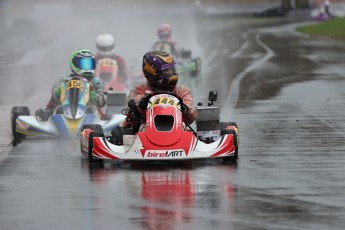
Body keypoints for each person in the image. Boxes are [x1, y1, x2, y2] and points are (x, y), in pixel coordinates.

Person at [122, 50, 197, 133]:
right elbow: (135, 102)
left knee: (189, 131)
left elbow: (191, 115)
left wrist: (185, 109)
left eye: (172, 69)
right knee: (121, 132)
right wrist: (141, 104)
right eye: (166, 70)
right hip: (145, 132)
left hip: (176, 131)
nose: (171, 72)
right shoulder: (138, 90)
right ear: (152, 71)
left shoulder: (182, 91)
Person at [35, 49, 107, 121]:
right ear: (74, 63)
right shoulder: (63, 79)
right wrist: (63, 87)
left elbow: (99, 102)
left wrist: (90, 91)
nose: (87, 67)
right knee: (57, 109)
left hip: (88, 113)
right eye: (84, 64)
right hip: (62, 111)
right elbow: (55, 95)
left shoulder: (97, 82)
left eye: (89, 64)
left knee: (91, 110)